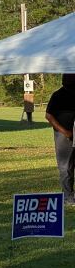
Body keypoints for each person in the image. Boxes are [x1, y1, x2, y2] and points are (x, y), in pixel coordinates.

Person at [45, 74, 75, 206]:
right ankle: (68, 197)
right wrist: (65, 132)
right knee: (65, 167)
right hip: (64, 136)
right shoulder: (57, 95)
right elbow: (49, 116)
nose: (66, 80)